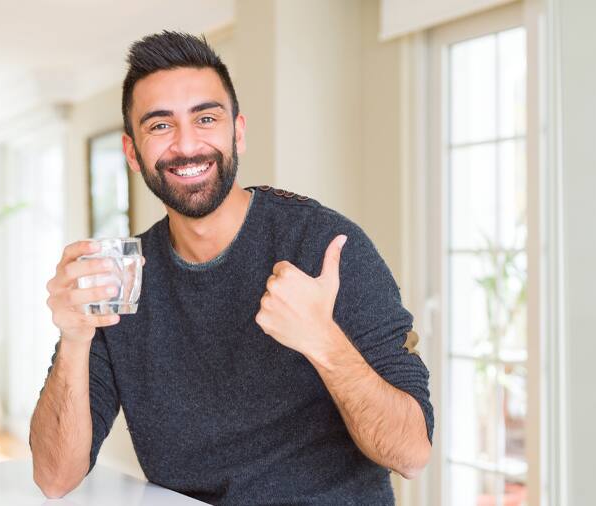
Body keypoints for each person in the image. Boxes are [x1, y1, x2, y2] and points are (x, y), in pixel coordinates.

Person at [30, 31, 433, 505]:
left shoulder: (322, 245)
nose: (187, 144)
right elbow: (55, 478)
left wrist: (323, 341)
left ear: (237, 131)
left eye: (206, 118)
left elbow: (411, 454)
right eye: (160, 126)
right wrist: (75, 342)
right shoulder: (124, 281)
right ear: (133, 153)